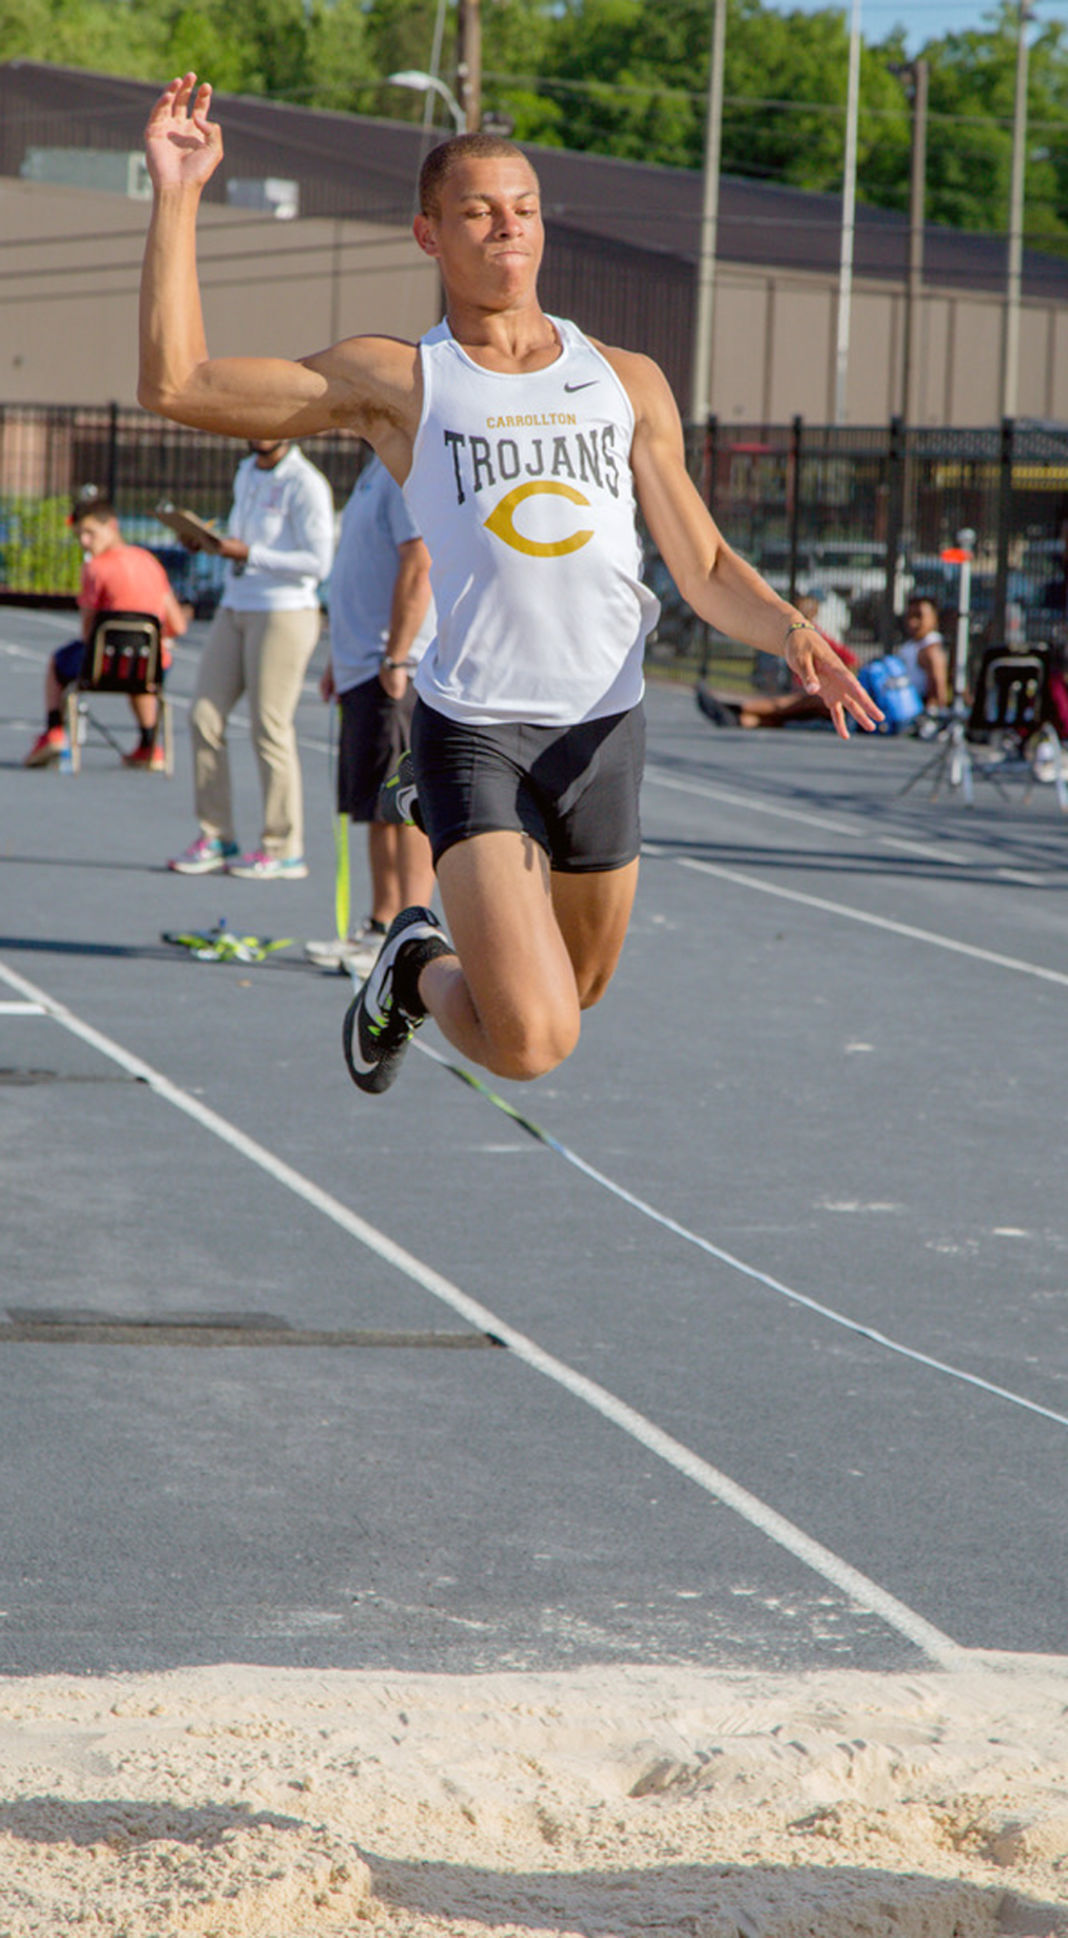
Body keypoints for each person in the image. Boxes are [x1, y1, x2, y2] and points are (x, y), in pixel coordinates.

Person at [139, 74, 882, 1091]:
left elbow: (705, 565)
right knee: (531, 1043)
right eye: (479, 212)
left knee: (574, 993)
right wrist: (178, 194)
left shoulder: (625, 379)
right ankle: (414, 956)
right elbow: (177, 383)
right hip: (476, 730)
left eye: (524, 210)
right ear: (428, 234)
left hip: (603, 730)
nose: (507, 230)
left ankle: (414, 965)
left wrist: (793, 629)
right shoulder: (403, 381)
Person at [168, 435, 335, 878]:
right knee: (203, 715)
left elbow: (320, 562)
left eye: (267, 423)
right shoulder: (246, 472)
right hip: (236, 604)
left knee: (269, 726)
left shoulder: (306, 483)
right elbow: (238, 541)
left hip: (283, 611)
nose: (257, 431)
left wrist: (250, 554)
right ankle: (217, 835)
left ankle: (283, 848)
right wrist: (208, 542)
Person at [305, 453, 436, 975]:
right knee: (377, 808)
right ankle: (383, 925)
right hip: (363, 667)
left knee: (405, 809)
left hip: (393, 669)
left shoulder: (407, 470)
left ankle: (414, 933)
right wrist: (341, 657)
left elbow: (419, 563)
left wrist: (397, 654)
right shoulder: (371, 471)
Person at [23, 492, 188, 770]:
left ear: (111, 526)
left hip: (102, 663)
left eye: (90, 533)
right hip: (152, 666)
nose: (85, 542)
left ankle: (53, 731)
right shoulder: (150, 562)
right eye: (80, 536)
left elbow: (88, 629)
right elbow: (178, 626)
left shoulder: (95, 568)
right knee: (140, 667)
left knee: (57, 662)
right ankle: (149, 745)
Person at [697, 592, 860, 730]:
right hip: (814, 693)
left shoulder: (813, 635)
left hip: (835, 703)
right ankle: (737, 719)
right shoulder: (800, 633)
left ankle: (734, 708)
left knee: (805, 704)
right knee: (795, 714)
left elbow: (850, 659)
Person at [898, 596, 949, 714]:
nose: (912, 622)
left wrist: (933, 712)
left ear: (934, 618)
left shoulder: (932, 649)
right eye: (909, 616)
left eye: (919, 616)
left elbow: (939, 691)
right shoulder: (913, 644)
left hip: (920, 715)